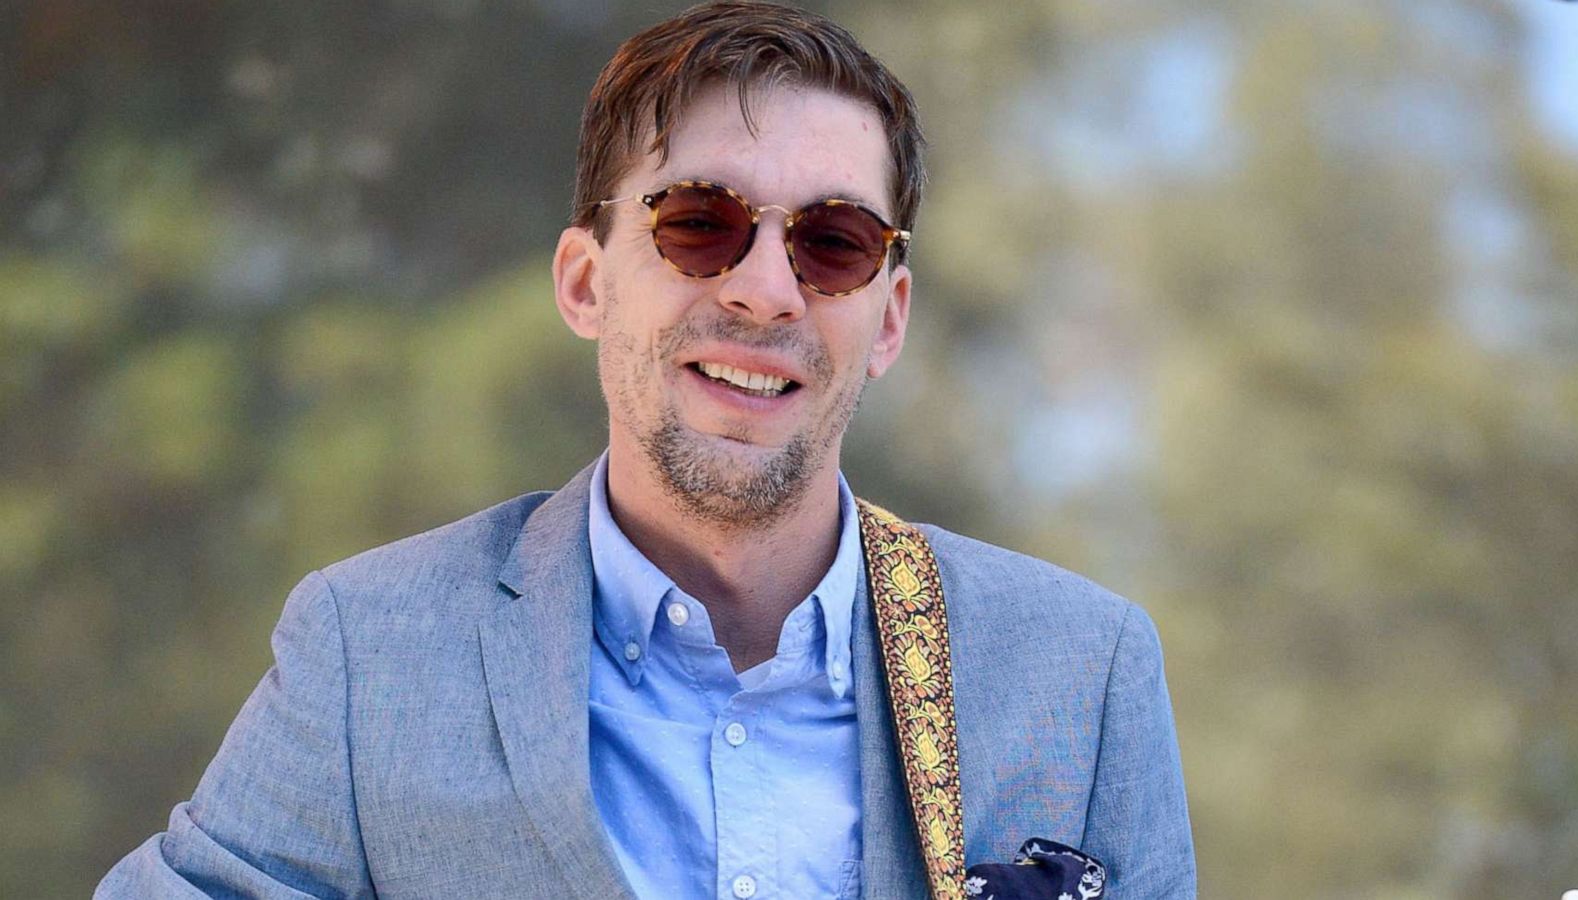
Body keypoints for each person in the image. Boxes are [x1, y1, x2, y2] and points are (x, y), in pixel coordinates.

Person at [98, 2, 1195, 897]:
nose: (766, 287)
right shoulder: (369, 650)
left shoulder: (1083, 673)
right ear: (585, 282)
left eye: (833, 242)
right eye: (699, 224)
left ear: (890, 318)